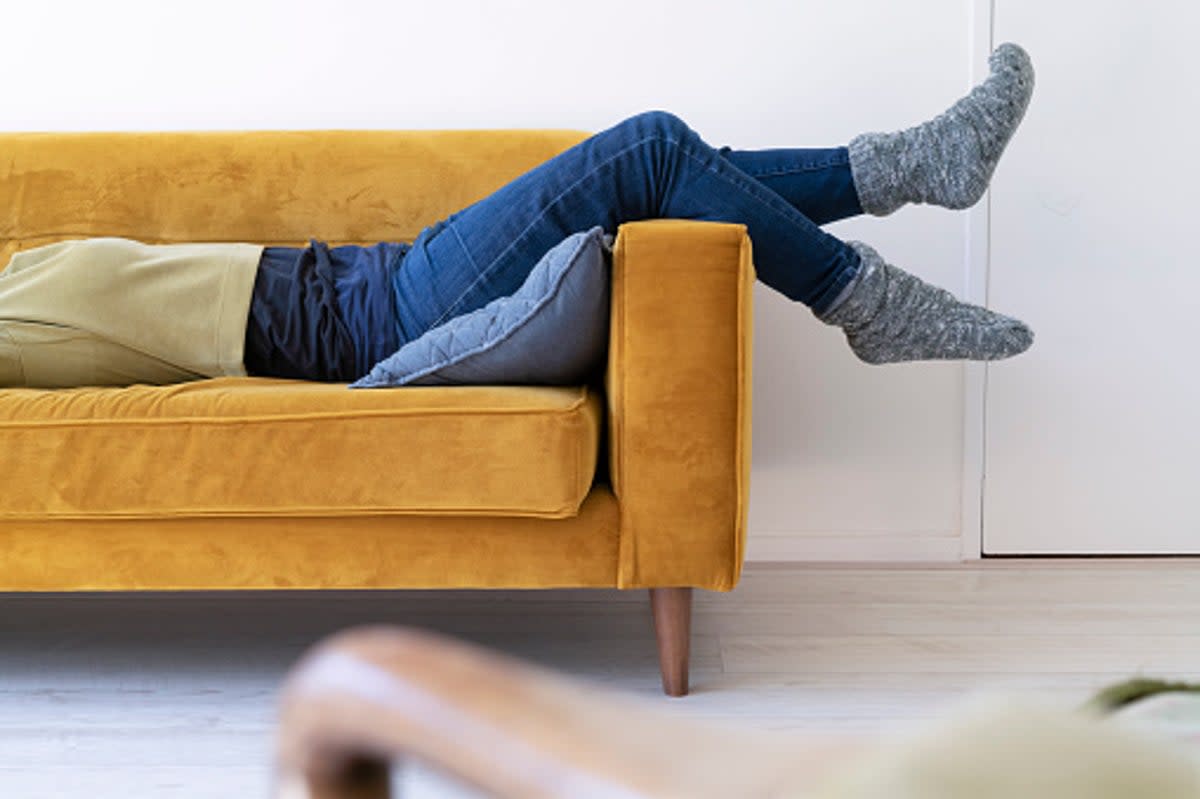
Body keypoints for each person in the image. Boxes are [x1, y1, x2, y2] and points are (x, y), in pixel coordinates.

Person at [0, 43, 1035, 389]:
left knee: (675, 170)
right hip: (386, 318)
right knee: (650, 145)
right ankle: (857, 290)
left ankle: (911, 167)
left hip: (387, 273)